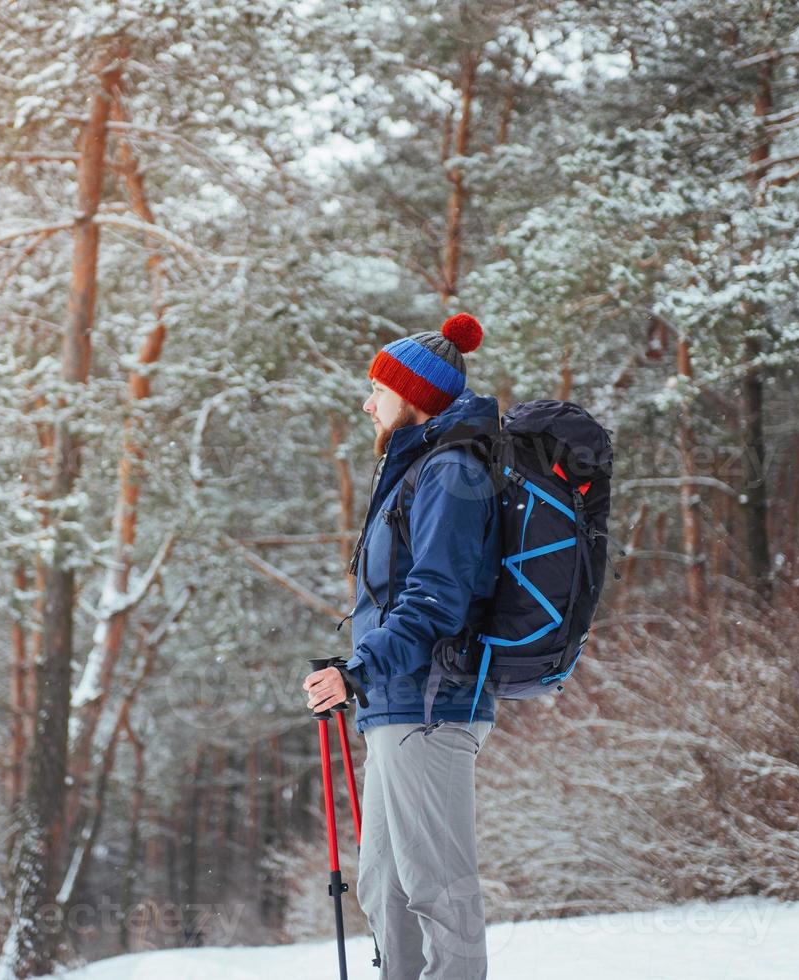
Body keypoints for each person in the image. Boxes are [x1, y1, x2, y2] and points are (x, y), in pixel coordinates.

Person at [302, 313, 499, 980]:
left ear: (414, 398)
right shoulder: (416, 468)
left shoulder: (451, 474)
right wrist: (354, 669)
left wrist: (360, 669)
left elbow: (437, 596)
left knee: (438, 887)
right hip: (395, 700)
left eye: (377, 390)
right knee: (384, 886)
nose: (367, 402)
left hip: (431, 702)